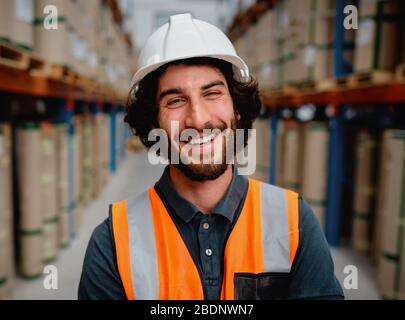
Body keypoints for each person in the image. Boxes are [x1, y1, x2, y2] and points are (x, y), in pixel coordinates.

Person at [78, 13, 344, 300]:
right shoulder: (113, 241)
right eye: (176, 100)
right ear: (153, 124)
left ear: (237, 109)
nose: (199, 118)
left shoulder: (294, 222)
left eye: (212, 93)